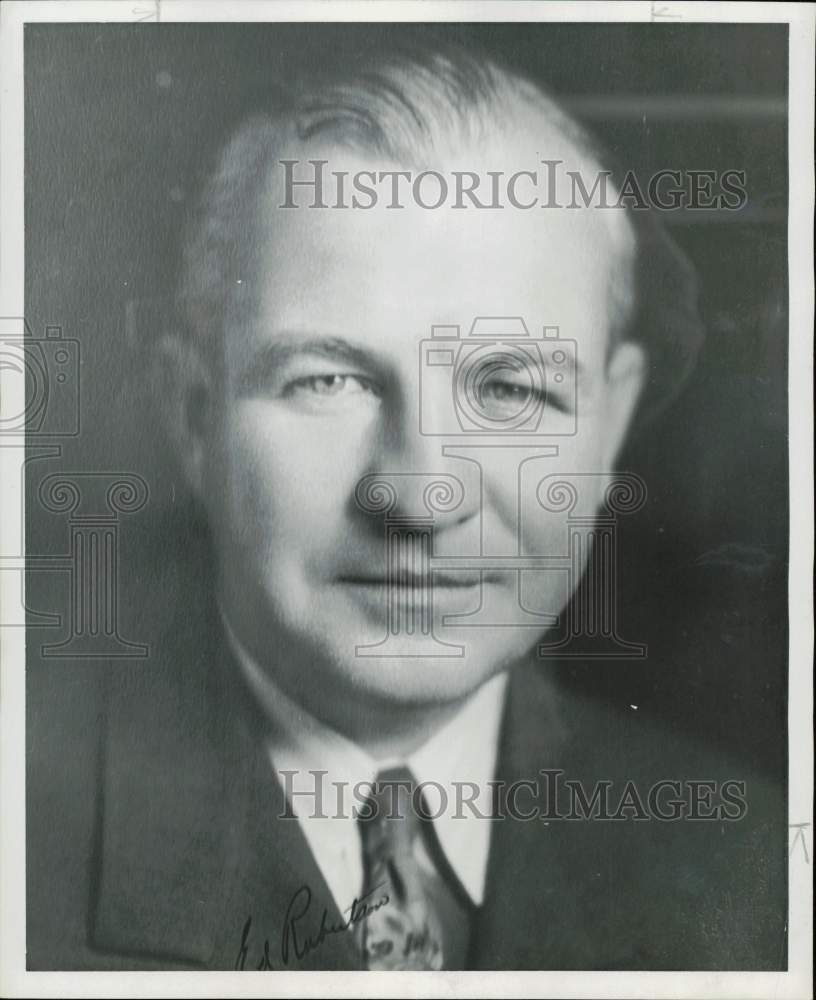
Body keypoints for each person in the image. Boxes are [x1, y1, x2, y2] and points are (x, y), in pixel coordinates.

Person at [26, 41, 786, 971]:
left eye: (509, 390)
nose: (423, 495)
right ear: (194, 419)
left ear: (610, 421)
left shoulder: (759, 871)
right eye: (330, 378)